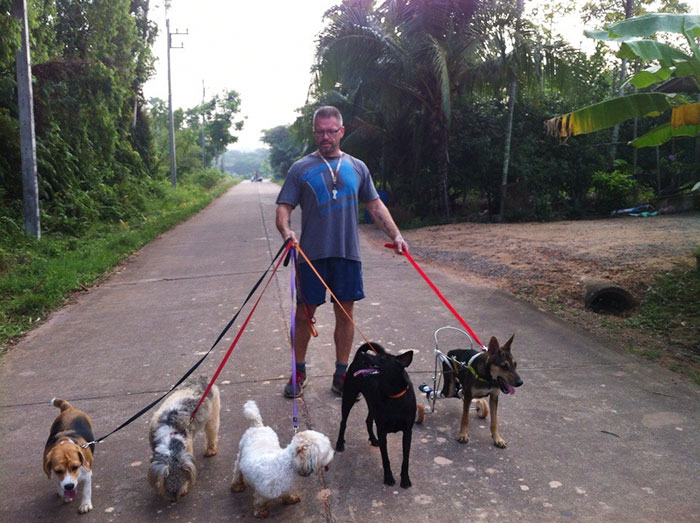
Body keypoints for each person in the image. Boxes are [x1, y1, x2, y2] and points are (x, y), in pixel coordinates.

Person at [275, 105, 409, 398]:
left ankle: (341, 374)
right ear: (315, 132)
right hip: (310, 255)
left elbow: (375, 205)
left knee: (345, 315)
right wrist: (287, 232)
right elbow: (283, 207)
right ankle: (299, 372)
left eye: (331, 131)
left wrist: (396, 235)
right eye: (320, 131)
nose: (326, 136)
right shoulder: (301, 168)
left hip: (348, 254)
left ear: (341, 132)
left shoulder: (357, 167)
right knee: (304, 314)